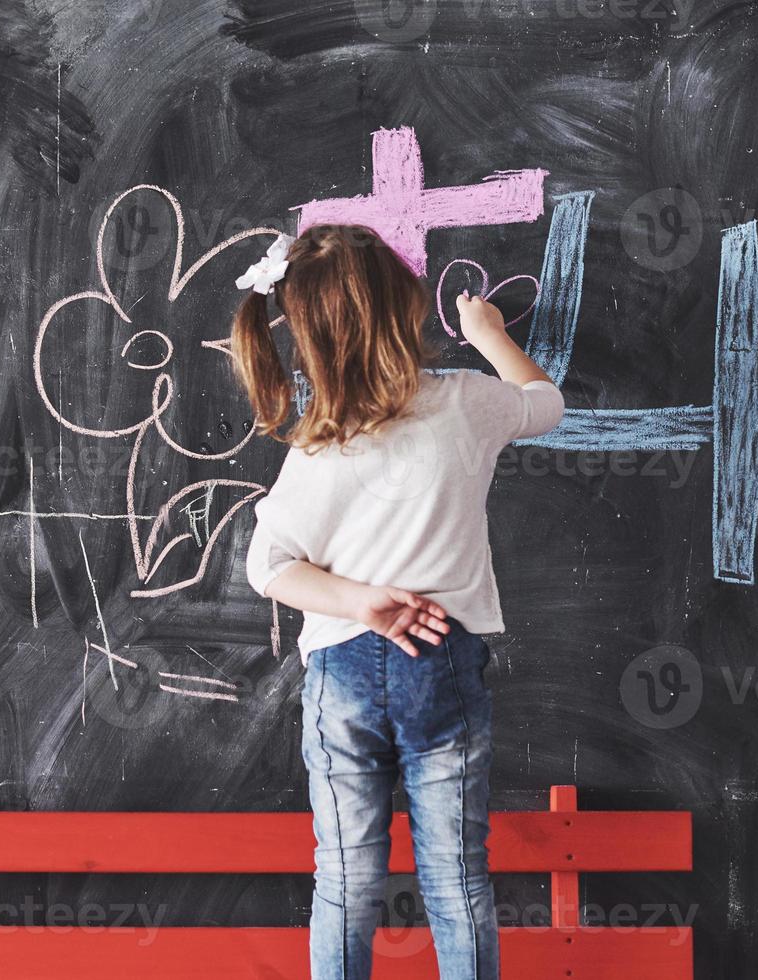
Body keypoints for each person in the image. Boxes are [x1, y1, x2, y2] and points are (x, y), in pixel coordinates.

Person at [230, 224, 565, 980]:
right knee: (457, 879)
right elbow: (545, 403)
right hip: (444, 663)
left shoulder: (318, 444)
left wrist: (361, 602)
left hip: (342, 672)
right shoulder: (467, 407)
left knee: (346, 882)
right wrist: (487, 335)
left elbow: (269, 566)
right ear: (406, 308)